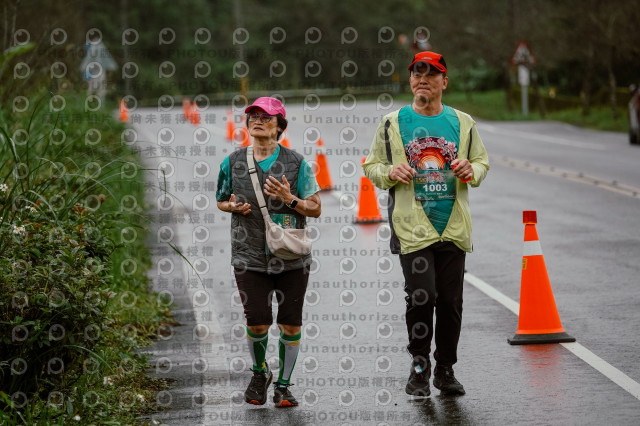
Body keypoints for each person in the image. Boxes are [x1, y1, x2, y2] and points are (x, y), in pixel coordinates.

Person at [363, 51, 489, 396]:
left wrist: (471, 171)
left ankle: (445, 369)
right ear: (410, 81)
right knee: (422, 296)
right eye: (417, 74)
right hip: (413, 227)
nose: (423, 79)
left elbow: (481, 163)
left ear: (444, 82)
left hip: (452, 226)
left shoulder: (463, 123)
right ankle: (419, 367)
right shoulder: (392, 123)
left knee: (450, 302)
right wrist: (390, 171)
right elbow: (371, 165)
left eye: (431, 74)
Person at [216, 97, 321, 407]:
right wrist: (231, 206)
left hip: (292, 258)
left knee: (290, 324)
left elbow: (315, 208)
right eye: (253, 116)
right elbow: (221, 199)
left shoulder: (298, 163)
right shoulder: (232, 162)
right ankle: (260, 373)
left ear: (280, 127)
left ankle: (284, 386)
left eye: (266, 117)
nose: (257, 120)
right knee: (257, 323)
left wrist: (290, 198)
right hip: (248, 257)